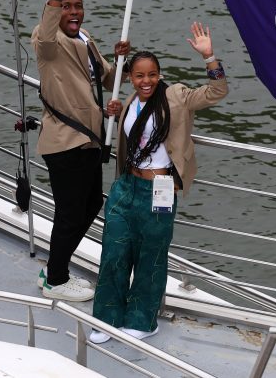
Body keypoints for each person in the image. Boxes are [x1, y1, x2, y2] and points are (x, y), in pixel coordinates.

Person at [88, 25, 229, 344]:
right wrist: (112, 112)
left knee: (151, 255)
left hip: (161, 188)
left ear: (159, 74)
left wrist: (209, 56)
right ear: (131, 78)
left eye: (152, 74)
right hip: (126, 185)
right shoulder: (126, 103)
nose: (146, 81)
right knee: (114, 250)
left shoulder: (176, 96)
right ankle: (107, 317)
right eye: (139, 76)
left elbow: (216, 92)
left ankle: (142, 318)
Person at [32, 0, 128, 302]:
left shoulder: (84, 38)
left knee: (89, 206)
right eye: (67, 7)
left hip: (90, 141)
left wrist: (121, 61)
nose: (73, 12)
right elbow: (45, 32)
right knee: (71, 212)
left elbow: (106, 78)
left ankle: (55, 265)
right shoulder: (47, 42)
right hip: (65, 142)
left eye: (77, 6)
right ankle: (55, 279)